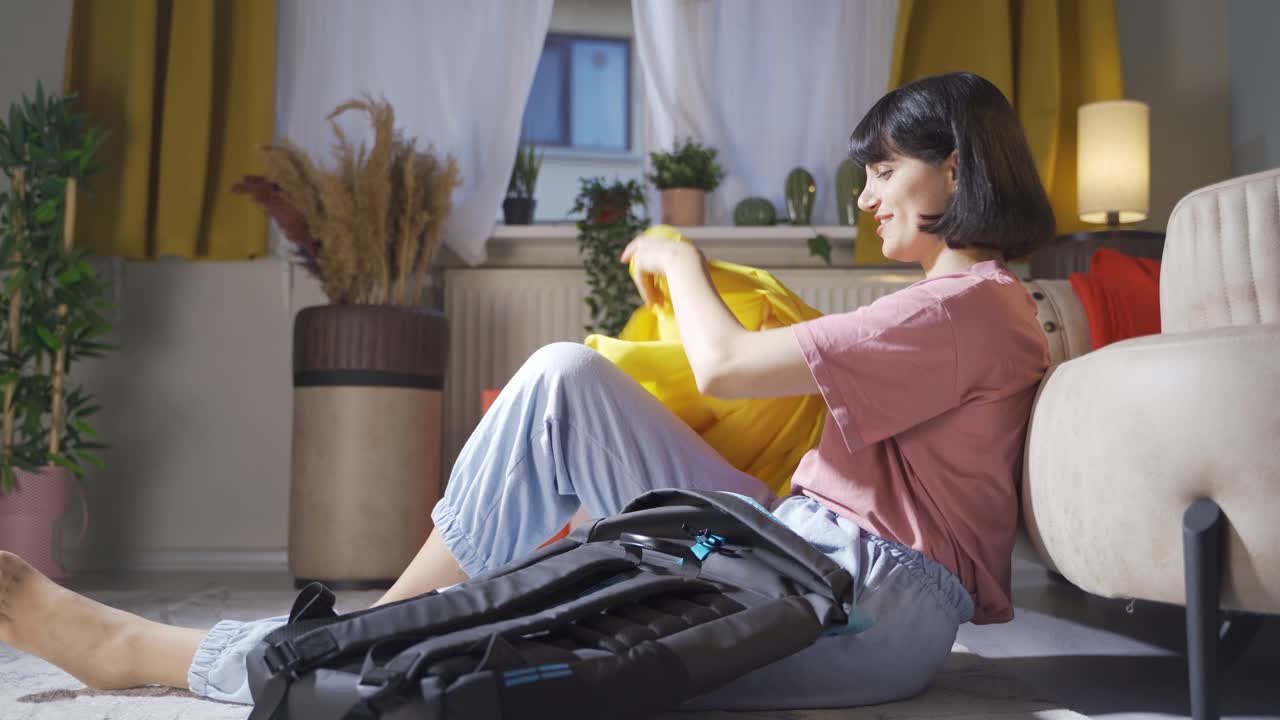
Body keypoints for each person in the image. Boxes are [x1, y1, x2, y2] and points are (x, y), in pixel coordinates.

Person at [0, 71, 1052, 709]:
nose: (866, 194)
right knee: (561, 381)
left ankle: (171, 654)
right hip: (780, 546)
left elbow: (724, 364)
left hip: (849, 603)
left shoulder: (957, 310)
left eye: (881, 169)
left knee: (521, 655)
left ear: (951, 169)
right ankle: (380, 620)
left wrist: (679, 254)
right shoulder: (954, 309)